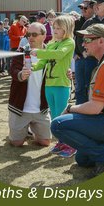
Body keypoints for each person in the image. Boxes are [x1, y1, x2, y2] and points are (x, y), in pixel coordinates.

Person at [51, 24, 104, 177]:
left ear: (101, 41)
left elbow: (95, 108)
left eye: (87, 39)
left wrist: (71, 108)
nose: (83, 44)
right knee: (82, 159)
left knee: (58, 125)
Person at [31, 14, 76, 150]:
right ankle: (61, 143)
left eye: (58, 28)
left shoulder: (69, 43)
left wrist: (39, 52)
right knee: (55, 117)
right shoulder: (51, 44)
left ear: (67, 29)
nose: (54, 30)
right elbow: (43, 62)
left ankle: (69, 145)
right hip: (49, 85)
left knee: (62, 118)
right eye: (54, 27)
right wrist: (32, 67)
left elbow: (59, 54)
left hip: (61, 85)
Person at [7, 22, 51, 147]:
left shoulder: (50, 52)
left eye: (34, 34)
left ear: (44, 36)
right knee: (16, 143)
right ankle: (23, 130)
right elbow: (13, 70)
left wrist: (67, 73)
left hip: (41, 108)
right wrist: (20, 75)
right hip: (20, 107)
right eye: (28, 35)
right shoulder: (21, 51)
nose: (30, 37)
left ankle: (31, 129)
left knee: (45, 143)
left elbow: (57, 70)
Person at [73, 0, 97, 105]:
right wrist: (75, 54)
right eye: (81, 8)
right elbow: (73, 38)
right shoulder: (77, 22)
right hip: (80, 58)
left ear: (93, 8)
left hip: (93, 59)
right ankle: (79, 109)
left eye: (85, 8)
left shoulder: (96, 22)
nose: (82, 10)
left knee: (90, 85)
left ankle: (89, 108)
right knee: (79, 86)